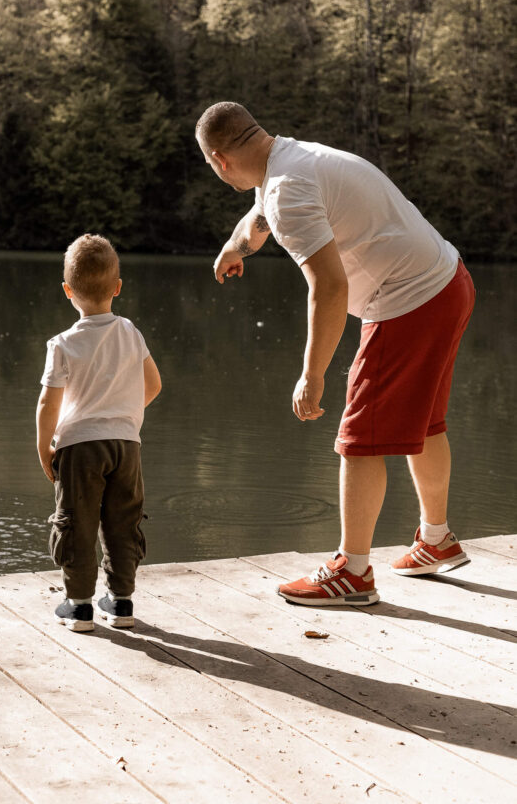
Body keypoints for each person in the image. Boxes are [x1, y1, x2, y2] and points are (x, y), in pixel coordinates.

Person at [196, 101, 475, 606]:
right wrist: (236, 246)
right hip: (448, 280)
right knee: (427, 422)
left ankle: (353, 572)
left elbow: (328, 286)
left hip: (408, 300)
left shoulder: (287, 190)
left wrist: (312, 374)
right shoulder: (290, 158)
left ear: (219, 159)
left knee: (359, 438)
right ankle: (437, 540)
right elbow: (259, 213)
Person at [36, 234, 162, 632]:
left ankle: (79, 607)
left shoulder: (63, 344)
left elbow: (48, 403)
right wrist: (122, 415)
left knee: (76, 524)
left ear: (67, 291)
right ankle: (121, 603)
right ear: (117, 287)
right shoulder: (130, 332)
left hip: (79, 449)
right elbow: (154, 385)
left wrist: (44, 447)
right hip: (126, 446)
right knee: (123, 523)